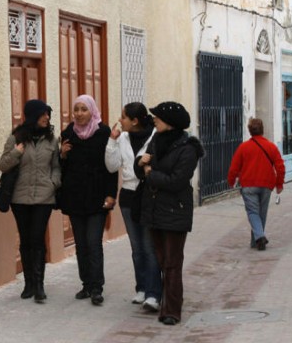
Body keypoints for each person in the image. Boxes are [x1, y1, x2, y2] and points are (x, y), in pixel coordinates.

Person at [134, 101, 204, 326]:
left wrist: (149, 172)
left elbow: (177, 181)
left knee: (173, 263)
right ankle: (170, 302)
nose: (154, 119)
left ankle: (172, 311)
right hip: (154, 210)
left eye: (158, 117)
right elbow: (142, 166)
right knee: (163, 261)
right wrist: (140, 164)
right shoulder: (156, 140)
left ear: (170, 122)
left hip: (175, 212)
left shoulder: (188, 148)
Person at [0, 99, 61, 303]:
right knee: (26, 240)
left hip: (44, 196)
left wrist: (53, 183)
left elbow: (56, 166)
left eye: (48, 114)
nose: (47, 118)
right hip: (20, 197)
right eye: (43, 114)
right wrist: (16, 152)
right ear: (33, 116)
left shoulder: (52, 139)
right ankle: (28, 284)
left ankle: (40, 285)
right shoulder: (16, 138)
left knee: (37, 238)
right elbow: (3, 165)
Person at [58, 94, 119, 306]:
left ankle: (97, 287)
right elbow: (62, 170)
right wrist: (62, 156)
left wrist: (111, 195)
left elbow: (111, 167)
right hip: (75, 197)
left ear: (92, 111)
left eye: (84, 109)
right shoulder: (68, 133)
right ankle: (85, 284)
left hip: (97, 196)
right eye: (76, 109)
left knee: (94, 242)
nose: (80, 114)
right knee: (81, 244)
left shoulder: (103, 132)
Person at [104, 102, 162, 312]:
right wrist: (112, 140)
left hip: (148, 194)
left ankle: (154, 293)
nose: (120, 120)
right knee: (137, 247)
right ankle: (142, 288)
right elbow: (111, 166)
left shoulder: (155, 136)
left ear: (135, 120)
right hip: (128, 195)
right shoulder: (123, 139)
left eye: (124, 117)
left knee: (149, 247)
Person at [226, 118, 286, 251]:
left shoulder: (243, 147)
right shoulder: (271, 146)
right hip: (266, 184)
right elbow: (280, 166)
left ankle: (258, 237)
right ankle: (257, 240)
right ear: (262, 130)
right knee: (261, 213)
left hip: (248, 184)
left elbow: (234, 168)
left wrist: (231, 181)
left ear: (250, 131)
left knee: (253, 212)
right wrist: (279, 184)